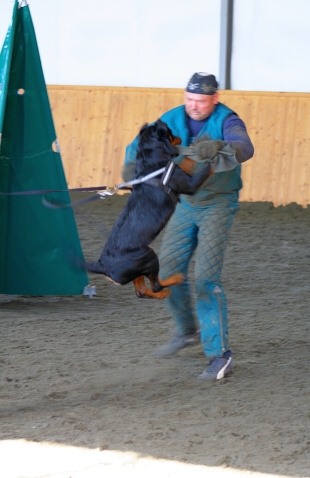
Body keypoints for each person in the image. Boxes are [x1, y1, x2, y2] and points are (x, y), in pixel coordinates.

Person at [123, 72, 254, 380]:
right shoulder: (171, 119)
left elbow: (245, 147)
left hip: (218, 204)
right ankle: (188, 331)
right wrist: (132, 169)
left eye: (201, 101)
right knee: (168, 272)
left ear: (215, 99)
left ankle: (220, 355)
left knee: (206, 278)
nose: (194, 106)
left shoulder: (227, 120)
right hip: (186, 203)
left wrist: (222, 147)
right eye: (190, 99)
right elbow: (141, 144)